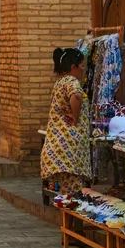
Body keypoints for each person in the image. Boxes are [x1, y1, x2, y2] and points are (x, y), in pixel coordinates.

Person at [40, 46, 92, 199]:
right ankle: (71, 222)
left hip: (58, 146)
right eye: (81, 65)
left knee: (66, 191)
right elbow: (76, 96)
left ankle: (67, 220)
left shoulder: (59, 82)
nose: (83, 69)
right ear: (73, 67)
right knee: (73, 193)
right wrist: (75, 117)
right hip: (69, 147)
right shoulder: (71, 81)